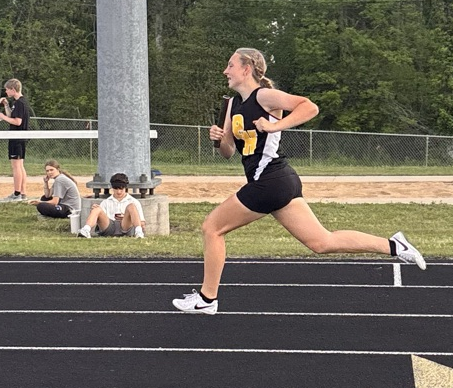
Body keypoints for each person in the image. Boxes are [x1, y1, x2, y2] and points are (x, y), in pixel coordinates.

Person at [172, 48, 426, 316]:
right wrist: (219, 138)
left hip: (270, 179)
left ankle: (207, 298)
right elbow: (228, 152)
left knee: (212, 228)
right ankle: (395, 245)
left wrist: (274, 126)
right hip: (279, 181)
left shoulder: (265, 96)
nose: (226, 71)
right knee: (321, 242)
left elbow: (309, 106)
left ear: (246, 69)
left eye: (230, 65)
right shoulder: (233, 106)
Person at [76, 172, 146, 239]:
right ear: (112, 188)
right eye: (116, 189)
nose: (118, 192)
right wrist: (95, 212)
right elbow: (101, 219)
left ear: (125, 188)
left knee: (131, 206)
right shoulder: (106, 202)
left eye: (121, 189)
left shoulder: (133, 201)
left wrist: (126, 217)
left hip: (126, 226)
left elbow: (142, 222)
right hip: (109, 227)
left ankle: (138, 232)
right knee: (97, 208)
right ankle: (86, 230)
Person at [0, 78, 30, 201]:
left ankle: (17, 193)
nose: (6, 92)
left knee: (16, 166)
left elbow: (17, 121)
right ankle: (22, 192)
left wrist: (2, 117)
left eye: (7, 89)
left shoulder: (20, 103)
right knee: (20, 165)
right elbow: (12, 116)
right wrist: (6, 105)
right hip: (19, 137)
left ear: (13, 89)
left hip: (18, 137)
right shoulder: (17, 102)